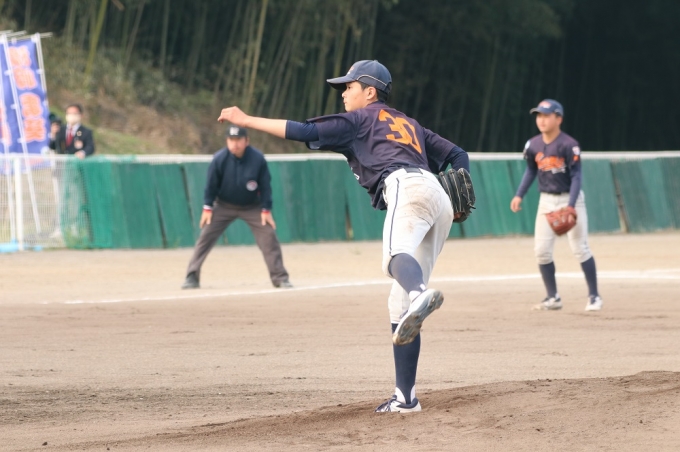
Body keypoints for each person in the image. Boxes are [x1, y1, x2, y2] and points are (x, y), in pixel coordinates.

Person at [217, 60, 469, 413]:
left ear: (370, 91)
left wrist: (246, 120)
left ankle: (419, 294)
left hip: (406, 186)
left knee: (395, 258)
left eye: (349, 87)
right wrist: (460, 186)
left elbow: (303, 130)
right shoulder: (410, 123)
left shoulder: (360, 119)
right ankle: (405, 398)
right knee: (399, 306)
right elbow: (457, 154)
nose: (344, 94)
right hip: (437, 197)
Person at [510, 99, 603, 312]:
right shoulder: (532, 145)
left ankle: (594, 296)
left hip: (571, 198)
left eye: (546, 115)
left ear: (558, 118)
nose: (541, 120)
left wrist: (571, 205)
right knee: (541, 251)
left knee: (580, 248)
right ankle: (553, 297)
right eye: (539, 115)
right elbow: (531, 170)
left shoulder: (569, 144)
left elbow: (577, 176)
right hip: (546, 201)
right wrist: (519, 195)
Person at [182, 125, 292, 290]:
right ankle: (192, 276)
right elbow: (211, 185)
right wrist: (207, 207)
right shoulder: (219, 158)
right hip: (224, 205)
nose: (235, 144)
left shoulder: (257, 159)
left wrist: (266, 209)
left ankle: (280, 278)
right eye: (231, 140)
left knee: (268, 236)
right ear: (227, 141)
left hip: (252, 206)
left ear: (246, 141)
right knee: (206, 236)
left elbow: (265, 186)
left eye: (238, 140)